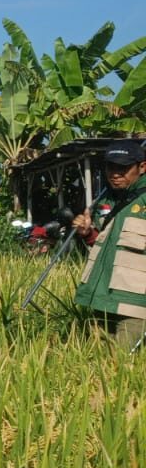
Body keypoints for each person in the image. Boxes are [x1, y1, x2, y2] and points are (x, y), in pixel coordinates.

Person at [71, 140, 146, 348]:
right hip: (101, 299)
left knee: (122, 364)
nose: (115, 173)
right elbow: (102, 244)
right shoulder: (107, 202)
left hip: (135, 305)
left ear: (142, 167)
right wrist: (86, 233)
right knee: (97, 365)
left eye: (123, 168)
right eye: (110, 166)